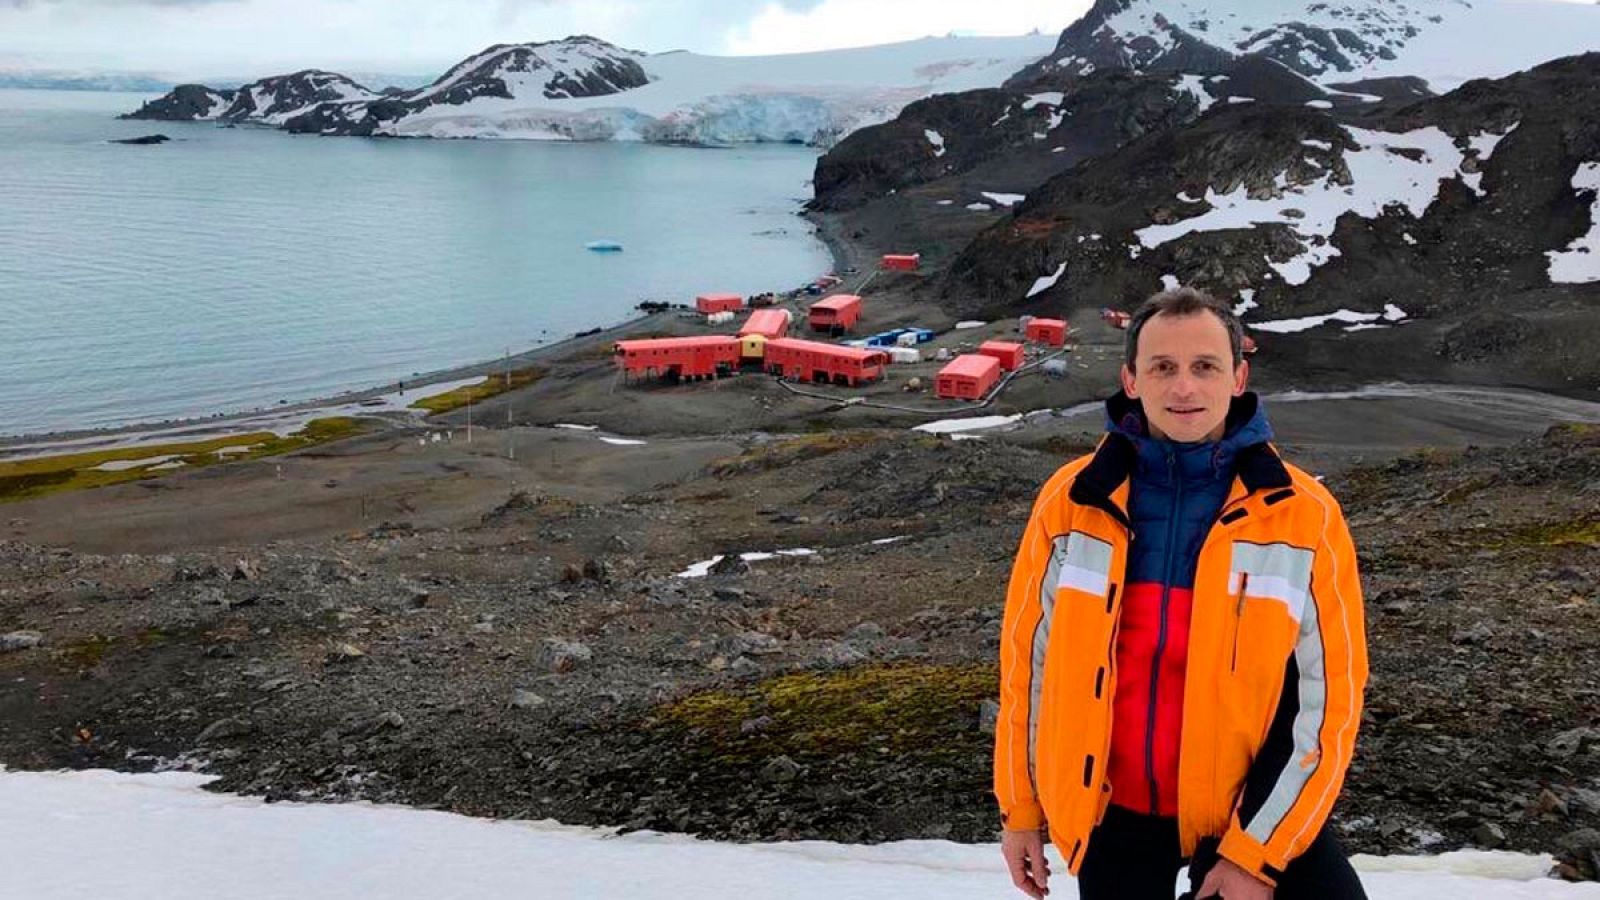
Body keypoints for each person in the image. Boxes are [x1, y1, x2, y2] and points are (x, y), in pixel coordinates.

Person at [994, 287, 1369, 900]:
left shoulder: (1304, 516)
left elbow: (1331, 702)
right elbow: (1028, 671)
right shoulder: (1072, 501)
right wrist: (1022, 810)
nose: (1184, 388)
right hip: (1110, 816)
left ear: (1239, 376)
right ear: (1131, 380)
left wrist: (1256, 855)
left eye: (1205, 367)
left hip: (1243, 810)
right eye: (1162, 368)